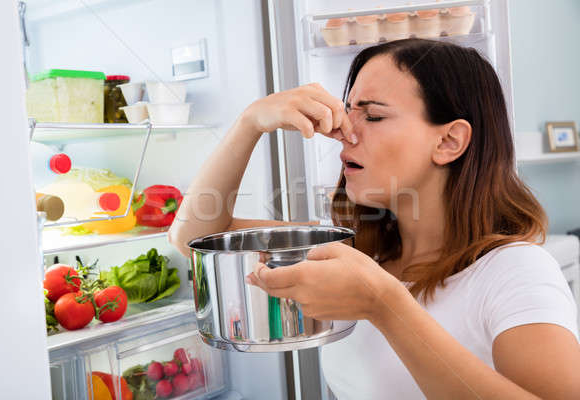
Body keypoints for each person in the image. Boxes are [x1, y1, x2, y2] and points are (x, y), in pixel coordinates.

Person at [169, 39, 580, 399]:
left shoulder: (515, 271)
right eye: (349, 112)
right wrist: (250, 123)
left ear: (449, 140)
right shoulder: (360, 254)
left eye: (374, 116)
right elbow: (194, 236)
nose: (346, 131)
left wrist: (387, 306)